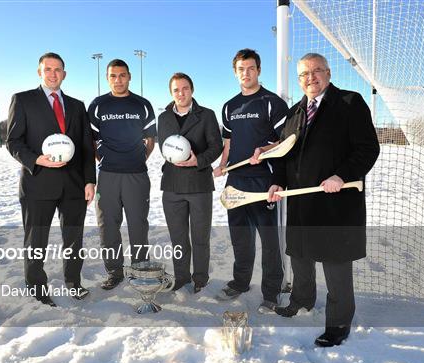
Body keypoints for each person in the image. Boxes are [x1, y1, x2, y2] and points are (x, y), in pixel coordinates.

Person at [266, 53, 380, 347]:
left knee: (335, 263)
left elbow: (367, 148)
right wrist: (277, 181)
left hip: (336, 203)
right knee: (301, 255)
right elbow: (283, 154)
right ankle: (301, 300)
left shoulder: (349, 103)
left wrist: (341, 176)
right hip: (302, 202)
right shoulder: (294, 113)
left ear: (328, 73)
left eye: (317, 71)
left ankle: (339, 323)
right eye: (304, 73)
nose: (311, 77)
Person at [7, 52, 96, 307]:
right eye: (48, 69)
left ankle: (73, 282)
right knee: (36, 240)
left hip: (74, 184)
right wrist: (36, 159)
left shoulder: (77, 106)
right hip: (38, 182)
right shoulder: (23, 100)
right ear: (39, 72)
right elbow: (13, 142)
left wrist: (90, 181)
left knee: (73, 238)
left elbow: (86, 146)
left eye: (58, 69)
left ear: (64, 74)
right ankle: (37, 289)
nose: (53, 74)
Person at [213, 49, 288, 312]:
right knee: (240, 237)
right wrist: (222, 165)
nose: (246, 73)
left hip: (263, 181)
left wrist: (264, 150)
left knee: (269, 241)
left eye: (251, 68)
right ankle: (240, 282)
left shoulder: (272, 102)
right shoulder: (229, 106)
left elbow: (285, 141)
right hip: (235, 181)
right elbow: (228, 141)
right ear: (235, 72)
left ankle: (271, 291)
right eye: (241, 69)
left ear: (258, 70)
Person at [88, 59, 156, 290]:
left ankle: (139, 270)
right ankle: (114, 272)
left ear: (129, 77)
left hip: (136, 175)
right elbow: (92, 140)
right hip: (107, 175)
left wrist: (137, 159)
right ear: (107, 78)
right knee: (107, 225)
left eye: (122, 75)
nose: (118, 80)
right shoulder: (98, 105)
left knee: (138, 225)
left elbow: (150, 140)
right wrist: (106, 160)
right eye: (113, 76)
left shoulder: (143, 105)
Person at [158, 73, 222, 293]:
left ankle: (200, 279)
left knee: (200, 237)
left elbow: (216, 147)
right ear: (171, 93)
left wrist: (199, 160)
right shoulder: (164, 118)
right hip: (172, 185)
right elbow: (164, 147)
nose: (181, 93)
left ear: (192, 90)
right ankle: (181, 277)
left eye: (184, 88)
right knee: (177, 238)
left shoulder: (207, 115)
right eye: (176, 90)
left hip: (199, 184)